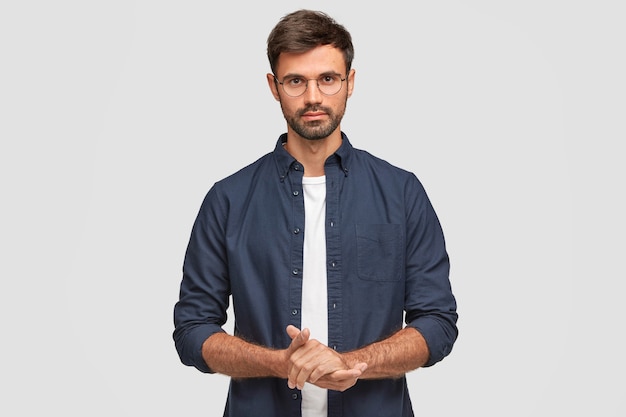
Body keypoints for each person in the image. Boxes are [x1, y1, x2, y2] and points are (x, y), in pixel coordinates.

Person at [173, 9, 458, 417]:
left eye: (327, 79)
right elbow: (192, 330)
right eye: (295, 81)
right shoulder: (228, 200)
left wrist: (352, 363)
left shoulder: (401, 193)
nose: (312, 97)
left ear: (350, 82)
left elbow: (437, 322)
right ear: (274, 87)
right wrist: (279, 363)